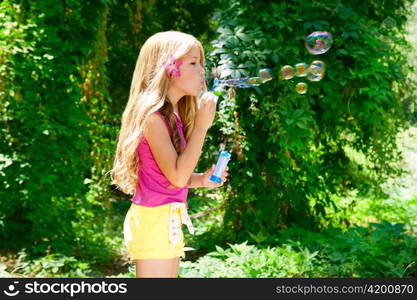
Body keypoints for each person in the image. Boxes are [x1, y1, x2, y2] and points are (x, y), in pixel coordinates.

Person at [110, 31, 229, 278]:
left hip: (166, 219)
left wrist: (201, 180)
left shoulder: (173, 117)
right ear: (168, 69)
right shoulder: (153, 119)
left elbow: (173, 174)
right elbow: (176, 177)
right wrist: (201, 127)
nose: (201, 71)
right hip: (153, 220)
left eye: (201, 63)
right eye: (194, 63)